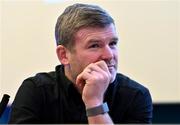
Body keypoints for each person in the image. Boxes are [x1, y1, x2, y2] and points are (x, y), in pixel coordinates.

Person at [8, 3, 153, 124]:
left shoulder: (135, 95)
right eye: (95, 45)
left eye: (113, 43)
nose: (109, 55)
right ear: (64, 55)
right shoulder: (36, 91)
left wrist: (95, 102)